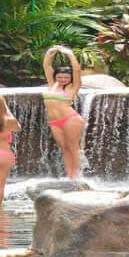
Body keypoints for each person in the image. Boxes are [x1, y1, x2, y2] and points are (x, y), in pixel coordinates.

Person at [41, 45, 86, 179]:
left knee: (73, 147)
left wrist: (70, 54)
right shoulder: (52, 84)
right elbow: (47, 67)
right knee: (65, 148)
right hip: (55, 122)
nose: (62, 80)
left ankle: (77, 175)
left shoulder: (73, 87)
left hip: (70, 119)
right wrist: (49, 54)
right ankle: (69, 175)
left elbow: (77, 70)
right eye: (60, 77)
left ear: (71, 79)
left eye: (66, 78)